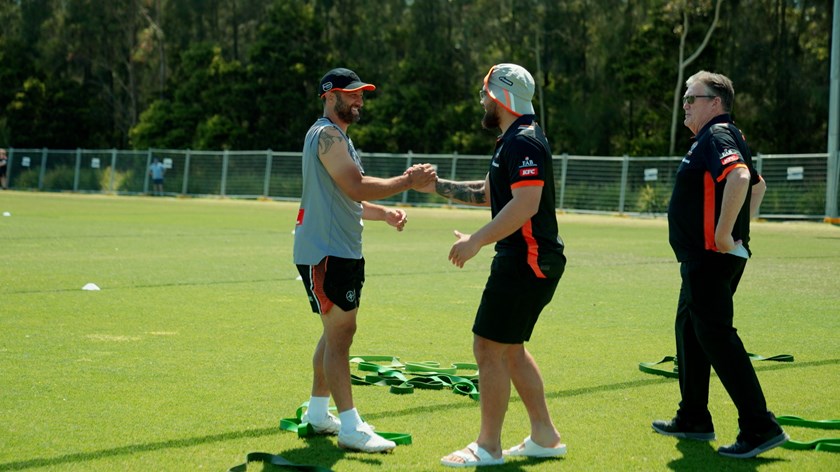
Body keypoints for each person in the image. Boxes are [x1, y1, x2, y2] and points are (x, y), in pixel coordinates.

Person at [418, 64, 567, 467]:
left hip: (526, 260)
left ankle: (488, 448)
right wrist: (435, 187)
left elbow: (525, 204)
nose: (482, 100)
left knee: (487, 348)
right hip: (526, 259)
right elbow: (489, 194)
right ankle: (545, 436)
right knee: (511, 350)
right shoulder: (512, 141)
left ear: (500, 96)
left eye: (485, 93)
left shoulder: (523, 142)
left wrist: (476, 241)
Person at [293, 67, 436, 453]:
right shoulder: (326, 135)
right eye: (350, 93)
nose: (358, 99)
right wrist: (407, 181)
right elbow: (355, 185)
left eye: (361, 93)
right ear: (328, 95)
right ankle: (351, 427)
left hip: (340, 249)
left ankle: (319, 413)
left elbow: (349, 197)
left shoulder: (338, 137)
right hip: (326, 252)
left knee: (335, 332)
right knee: (340, 335)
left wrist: (384, 214)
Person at [652, 70, 786, 459]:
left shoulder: (717, 134)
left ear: (715, 103)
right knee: (690, 330)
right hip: (704, 257)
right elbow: (758, 185)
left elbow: (742, 177)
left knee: (715, 336)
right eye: (685, 99)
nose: (686, 105)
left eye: (692, 98)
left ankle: (759, 426)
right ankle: (693, 416)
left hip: (710, 257)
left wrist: (727, 234)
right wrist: (741, 228)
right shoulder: (715, 138)